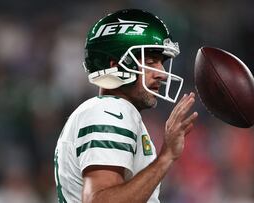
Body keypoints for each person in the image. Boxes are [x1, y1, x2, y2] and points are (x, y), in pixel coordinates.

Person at [54, 9, 198, 203]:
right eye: (150, 61)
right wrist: (166, 157)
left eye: (161, 63)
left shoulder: (112, 111)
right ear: (115, 65)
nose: (162, 73)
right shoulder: (110, 112)